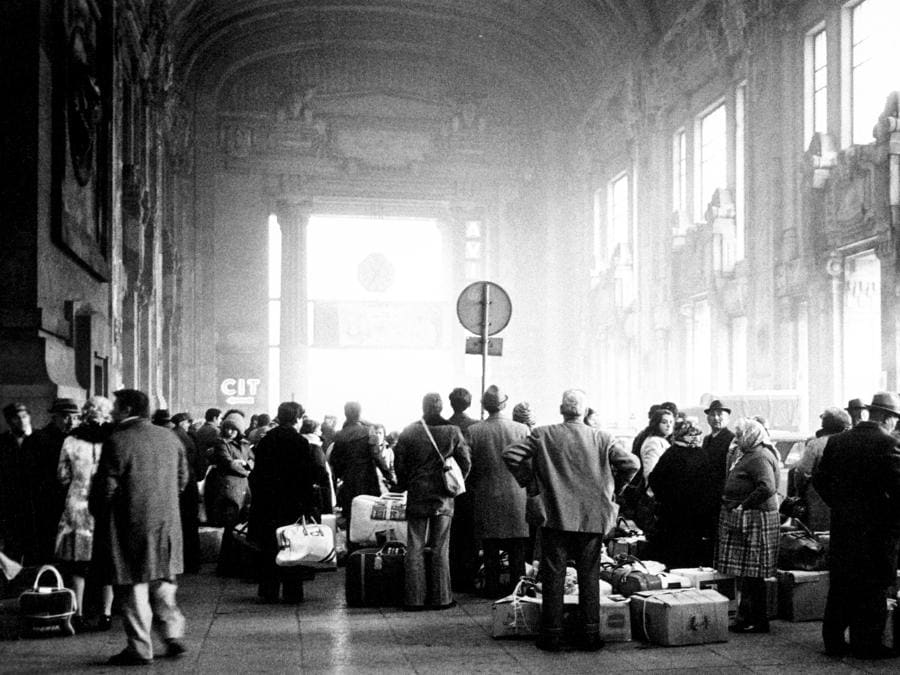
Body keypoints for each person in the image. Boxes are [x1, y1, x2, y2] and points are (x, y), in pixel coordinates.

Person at [503, 389, 639, 652]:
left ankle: (551, 634)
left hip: (554, 515)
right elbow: (631, 464)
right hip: (591, 517)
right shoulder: (602, 438)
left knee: (553, 575)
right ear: (585, 411)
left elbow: (511, 455)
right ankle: (589, 634)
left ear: (561, 409)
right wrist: (614, 490)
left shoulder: (542, 434)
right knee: (589, 575)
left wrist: (531, 484)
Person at [89, 389, 188, 665]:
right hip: (167, 523)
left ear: (127, 408)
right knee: (164, 582)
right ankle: (172, 633)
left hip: (128, 524)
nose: (111, 411)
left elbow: (106, 488)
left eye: (116, 406)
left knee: (133, 588)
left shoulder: (118, 441)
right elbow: (183, 480)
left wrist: (97, 512)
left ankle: (140, 648)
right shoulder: (169, 437)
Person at [813, 391, 900, 659]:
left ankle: (834, 641)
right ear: (886, 418)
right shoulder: (886, 444)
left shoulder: (838, 441)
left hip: (844, 527)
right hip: (876, 530)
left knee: (841, 585)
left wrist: (839, 505)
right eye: (895, 420)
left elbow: (819, 479)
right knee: (873, 586)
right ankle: (867, 644)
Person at [394, 392, 471, 610]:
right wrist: (455, 482)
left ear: (423, 407)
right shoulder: (452, 431)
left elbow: (399, 464)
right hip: (443, 496)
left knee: (415, 546)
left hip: (418, 493)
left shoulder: (409, 431)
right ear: (441, 408)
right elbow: (465, 461)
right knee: (440, 547)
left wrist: (407, 482)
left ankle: (414, 599)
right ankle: (442, 598)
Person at [249, 401, 329, 603]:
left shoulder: (266, 440)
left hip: (268, 501)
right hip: (292, 502)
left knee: (270, 546)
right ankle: (292, 591)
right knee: (293, 544)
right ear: (297, 419)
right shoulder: (300, 442)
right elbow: (305, 475)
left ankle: (269, 590)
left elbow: (257, 475)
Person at [55, 396, 115, 632]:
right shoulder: (113, 440)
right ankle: (106, 614)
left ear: (85, 413)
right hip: (106, 506)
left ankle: (78, 614)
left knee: (79, 564)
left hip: (77, 506)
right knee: (107, 563)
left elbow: (62, 475)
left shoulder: (71, 440)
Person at [715, 418, 779, 634]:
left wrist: (744, 505)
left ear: (751, 435)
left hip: (755, 518)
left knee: (754, 573)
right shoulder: (750, 454)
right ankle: (747, 617)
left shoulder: (759, 456)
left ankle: (757, 620)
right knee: (748, 573)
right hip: (749, 516)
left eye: (740, 435)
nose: (737, 439)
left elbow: (767, 486)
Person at [465, 385, 530, 597]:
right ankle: (517, 590)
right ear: (505, 404)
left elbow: (468, 466)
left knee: (490, 548)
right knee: (517, 550)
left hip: (486, 494)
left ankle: (492, 589)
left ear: (484, 406)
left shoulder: (474, 431)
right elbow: (530, 465)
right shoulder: (521, 430)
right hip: (517, 497)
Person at [649, 417, 716, 567]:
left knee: (672, 554)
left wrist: (665, 498)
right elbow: (710, 485)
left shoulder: (671, 453)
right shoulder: (701, 455)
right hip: (696, 515)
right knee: (691, 555)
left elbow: (654, 478)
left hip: (672, 513)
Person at [329, 402, 395, 536]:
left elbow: (335, 461)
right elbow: (377, 457)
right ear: (359, 413)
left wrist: (341, 476)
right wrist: (390, 477)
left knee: (350, 517)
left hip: (348, 483)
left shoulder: (339, 435)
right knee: (371, 517)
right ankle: (369, 549)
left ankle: (351, 548)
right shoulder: (368, 432)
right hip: (367, 481)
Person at [27, 397, 80, 564]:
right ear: (54, 417)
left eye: (75, 417)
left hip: (70, 503)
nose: (71, 421)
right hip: (46, 504)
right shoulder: (38, 439)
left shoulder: (78, 440)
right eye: (65, 416)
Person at [792, 407, 851, 531]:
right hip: (845, 501)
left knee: (816, 538)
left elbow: (802, 472)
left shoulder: (815, 444)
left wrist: (800, 491)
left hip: (817, 499)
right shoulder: (850, 443)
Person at [205, 419, 251, 576]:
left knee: (240, 526)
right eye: (227, 429)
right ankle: (227, 565)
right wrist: (245, 469)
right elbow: (228, 463)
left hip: (243, 489)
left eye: (233, 429)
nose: (230, 432)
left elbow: (251, 460)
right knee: (231, 526)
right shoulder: (221, 443)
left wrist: (244, 463)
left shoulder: (244, 444)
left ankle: (236, 563)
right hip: (230, 490)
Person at [447, 387, 478, 593]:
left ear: (451, 403)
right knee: (470, 535)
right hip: (471, 488)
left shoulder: (444, 425)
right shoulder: (476, 426)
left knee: (452, 535)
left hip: (448, 487)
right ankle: (469, 577)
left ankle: (452, 576)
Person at [0, 402, 35, 562]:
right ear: (9, 421)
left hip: (35, 506)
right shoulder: (2, 443)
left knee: (35, 551)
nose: (21, 421)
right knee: (11, 551)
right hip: (10, 507)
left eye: (24, 416)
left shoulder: (41, 440)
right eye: (16, 418)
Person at [701, 399, 735, 552]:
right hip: (707, 493)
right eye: (712, 415)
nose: (716, 418)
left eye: (720, 415)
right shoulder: (707, 439)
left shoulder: (731, 439)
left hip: (722, 492)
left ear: (727, 417)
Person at [171, 412, 201, 573]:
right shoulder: (184, 436)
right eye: (188, 422)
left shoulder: (175, 435)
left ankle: (187, 562)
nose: (189, 424)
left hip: (183, 483)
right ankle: (192, 562)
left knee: (184, 523)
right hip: (188, 483)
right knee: (190, 523)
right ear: (182, 422)